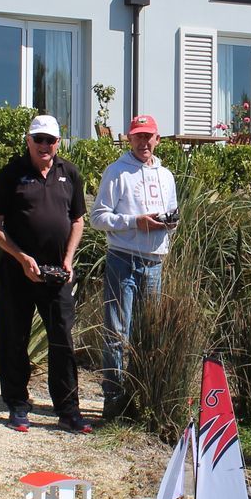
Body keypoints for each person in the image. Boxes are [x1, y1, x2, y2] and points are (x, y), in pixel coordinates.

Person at [0, 114, 90, 434]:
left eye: (50, 140)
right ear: (28, 141)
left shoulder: (69, 172)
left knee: (63, 341)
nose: (44, 145)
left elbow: (77, 220)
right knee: (14, 338)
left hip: (57, 273)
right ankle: (17, 404)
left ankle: (68, 410)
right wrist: (21, 258)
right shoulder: (12, 173)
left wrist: (69, 259)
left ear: (58, 143)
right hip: (18, 272)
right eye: (38, 139)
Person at [88, 114, 178, 420]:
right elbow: (97, 217)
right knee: (116, 332)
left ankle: (143, 398)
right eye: (138, 136)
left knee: (148, 333)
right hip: (123, 258)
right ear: (129, 139)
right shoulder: (116, 171)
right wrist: (134, 222)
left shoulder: (166, 175)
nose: (143, 142)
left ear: (157, 139)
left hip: (154, 262)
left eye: (148, 136)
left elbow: (173, 214)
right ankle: (114, 401)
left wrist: (169, 223)